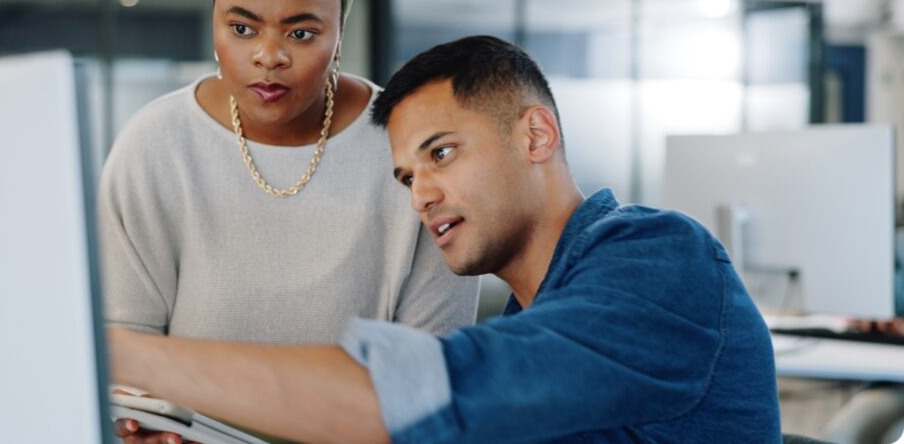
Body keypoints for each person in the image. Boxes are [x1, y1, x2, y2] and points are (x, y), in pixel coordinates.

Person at [109, 35, 782, 443]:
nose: (420, 193)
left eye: (442, 153)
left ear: (536, 135)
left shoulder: (660, 258)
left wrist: (118, 352)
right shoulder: (538, 314)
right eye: (407, 174)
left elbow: (411, 399)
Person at [102, 0, 479, 440]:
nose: (268, 56)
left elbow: (432, 379)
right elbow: (123, 352)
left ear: (340, 27)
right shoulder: (155, 146)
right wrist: (135, 425)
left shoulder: (411, 150)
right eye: (242, 29)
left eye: (301, 33)